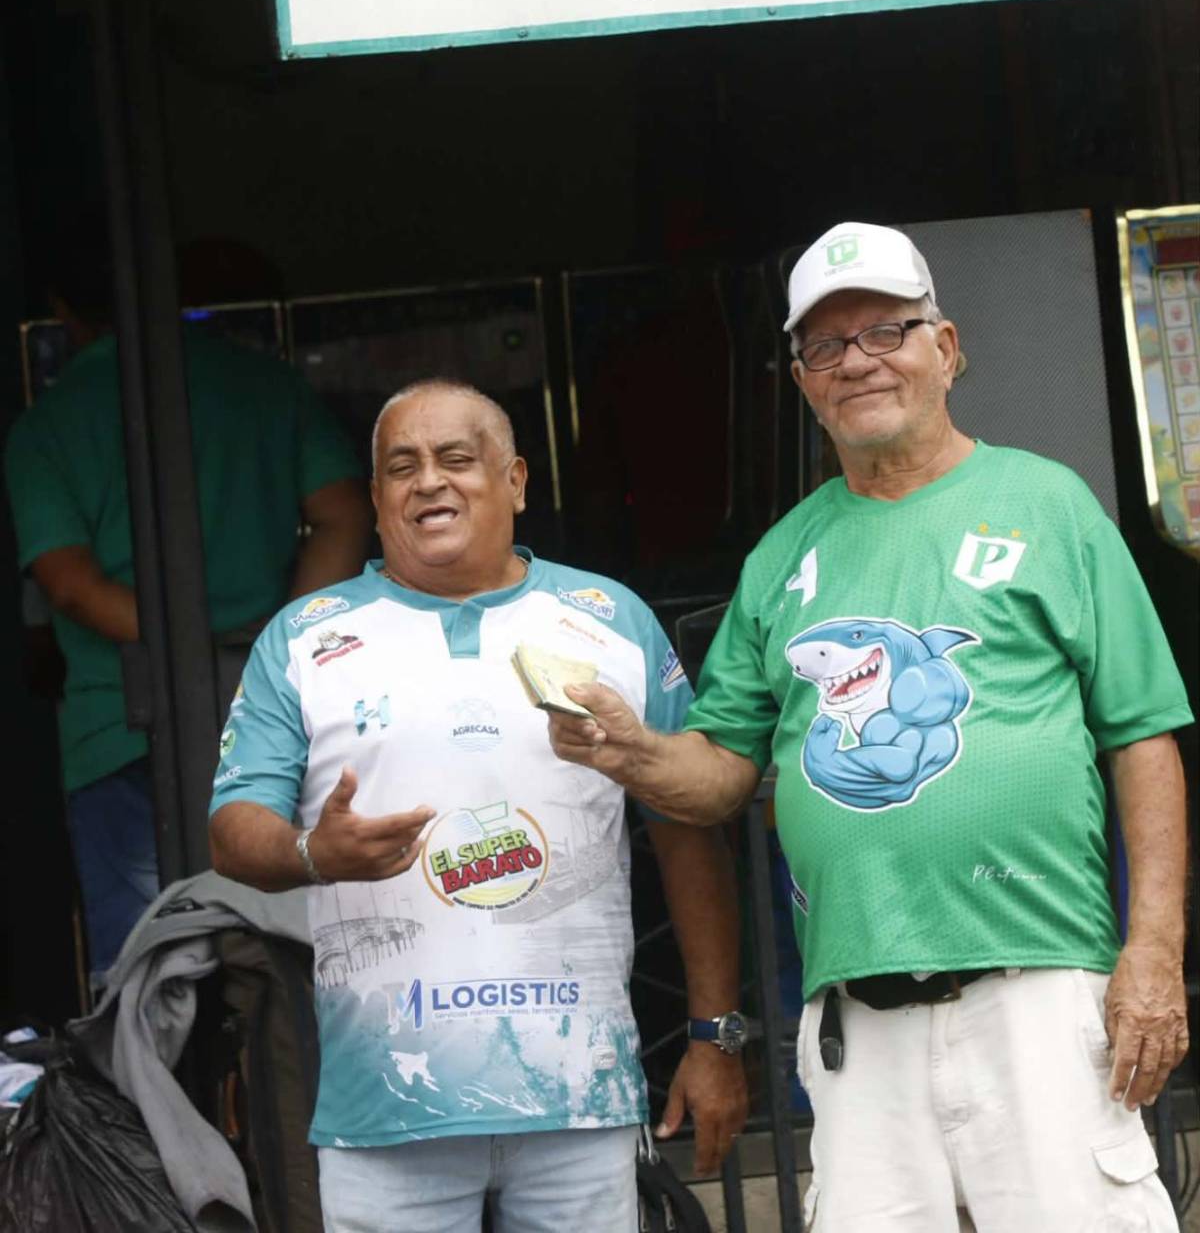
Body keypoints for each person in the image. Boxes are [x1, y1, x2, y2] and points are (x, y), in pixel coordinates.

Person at [549, 221, 1193, 1232]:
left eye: (886, 331)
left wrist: (1153, 952)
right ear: (802, 380)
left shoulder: (1048, 504)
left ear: (947, 347)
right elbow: (721, 773)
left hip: (1039, 985)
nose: (857, 361)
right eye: (826, 344)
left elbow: (1141, 736)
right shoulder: (780, 559)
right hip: (857, 1022)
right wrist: (630, 753)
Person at [209, 378, 748, 1233]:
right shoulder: (304, 639)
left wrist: (715, 1036)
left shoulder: (610, 620)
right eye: (402, 467)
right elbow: (234, 833)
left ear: (517, 480)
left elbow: (689, 832)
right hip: (387, 1107)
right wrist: (314, 854)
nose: (429, 481)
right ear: (376, 498)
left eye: (456, 459)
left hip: (579, 1099)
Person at [4, 232, 372, 987]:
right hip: (275, 713)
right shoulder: (263, 383)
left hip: (119, 725)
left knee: (148, 975)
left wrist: (186, 652)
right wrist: (276, 647)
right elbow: (343, 513)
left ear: (62, 310)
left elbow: (67, 583)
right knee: (290, 958)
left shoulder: (48, 425)